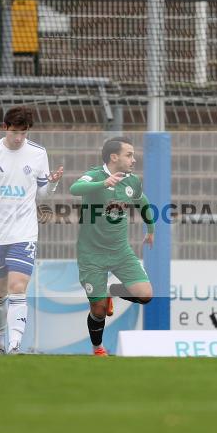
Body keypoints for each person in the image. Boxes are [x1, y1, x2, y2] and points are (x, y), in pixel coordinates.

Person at [0, 106, 63, 354]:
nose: (19, 138)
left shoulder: (38, 153)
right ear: (5, 127)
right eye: (14, 132)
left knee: (18, 287)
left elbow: (41, 194)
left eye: (23, 132)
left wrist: (51, 184)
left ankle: (14, 345)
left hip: (24, 232)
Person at [70, 137, 154, 356]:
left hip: (120, 252)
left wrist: (151, 229)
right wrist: (102, 184)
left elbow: (142, 201)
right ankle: (98, 348)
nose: (134, 159)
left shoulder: (132, 181)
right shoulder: (96, 175)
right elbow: (74, 188)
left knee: (146, 294)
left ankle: (110, 291)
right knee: (97, 310)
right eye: (129, 155)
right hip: (91, 254)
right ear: (114, 157)